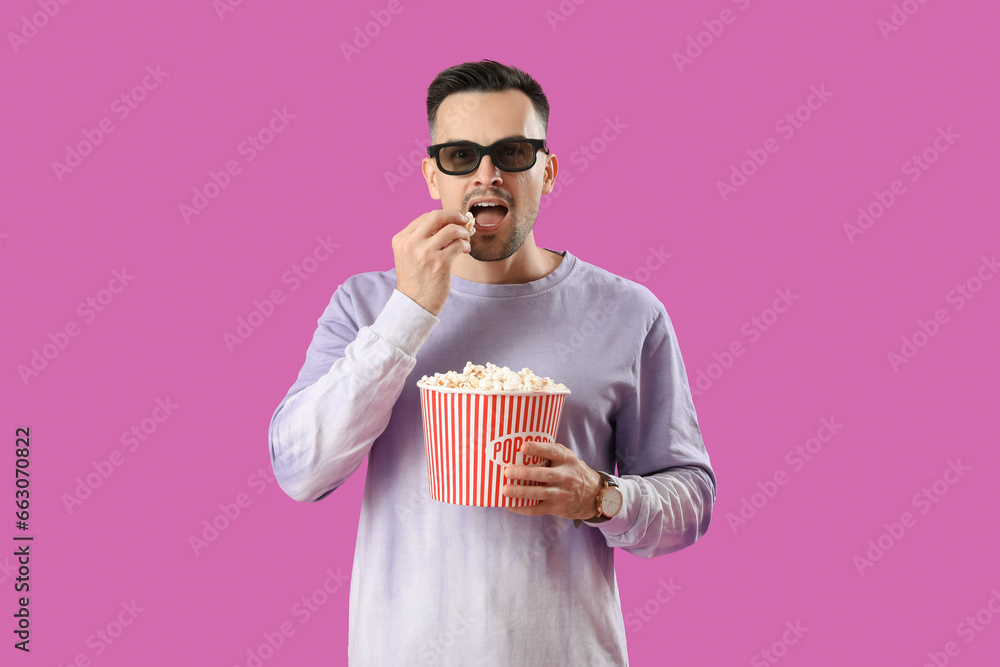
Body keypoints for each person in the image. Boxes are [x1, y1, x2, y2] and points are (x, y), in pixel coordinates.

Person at [269, 59, 716, 666]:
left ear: (548, 170)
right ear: (432, 175)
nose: (487, 176)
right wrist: (409, 311)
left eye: (512, 152)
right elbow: (301, 470)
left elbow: (690, 498)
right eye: (459, 156)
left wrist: (602, 497)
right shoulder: (366, 304)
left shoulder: (629, 312)